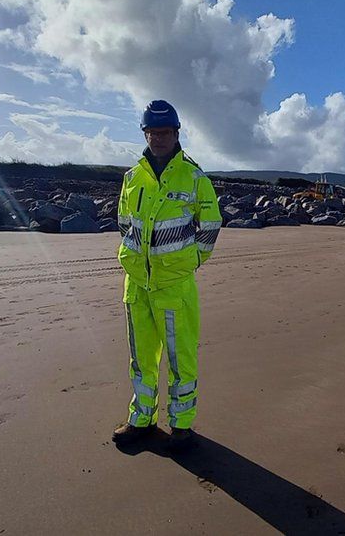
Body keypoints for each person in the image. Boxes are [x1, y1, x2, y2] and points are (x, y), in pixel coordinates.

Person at [111, 100, 222, 450]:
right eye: (152, 132)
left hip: (175, 285)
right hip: (137, 285)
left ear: (176, 134)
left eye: (165, 132)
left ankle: (182, 426)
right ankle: (141, 419)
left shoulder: (193, 177)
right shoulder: (132, 178)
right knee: (141, 357)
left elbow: (211, 224)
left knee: (180, 359)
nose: (158, 138)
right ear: (145, 133)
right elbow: (124, 223)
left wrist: (191, 261)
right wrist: (134, 259)